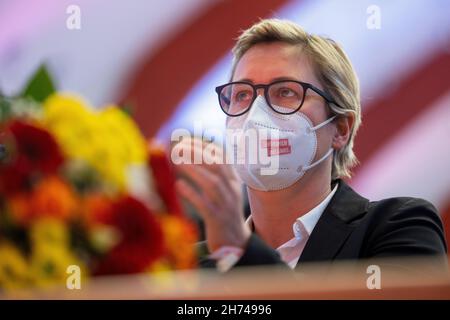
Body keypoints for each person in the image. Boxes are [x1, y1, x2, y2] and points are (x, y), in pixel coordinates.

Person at [175, 19, 447, 272]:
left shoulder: (397, 227)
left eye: (285, 92)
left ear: (340, 128)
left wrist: (241, 249)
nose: (256, 114)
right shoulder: (191, 266)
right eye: (242, 95)